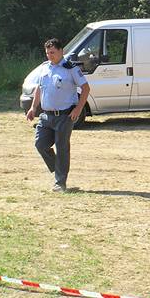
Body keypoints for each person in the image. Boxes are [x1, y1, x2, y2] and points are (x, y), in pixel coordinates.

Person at [26, 38, 90, 192]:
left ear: (62, 51)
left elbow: (86, 88)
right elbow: (39, 89)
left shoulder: (71, 69)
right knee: (40, 144)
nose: (50, 55)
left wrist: (78, 109)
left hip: (65, 116)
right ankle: (59, 168)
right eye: (47, 53)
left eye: (53, 52)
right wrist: (33, 108)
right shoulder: (44, 68)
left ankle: (60, 182)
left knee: (62, 148)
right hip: (46, 115)